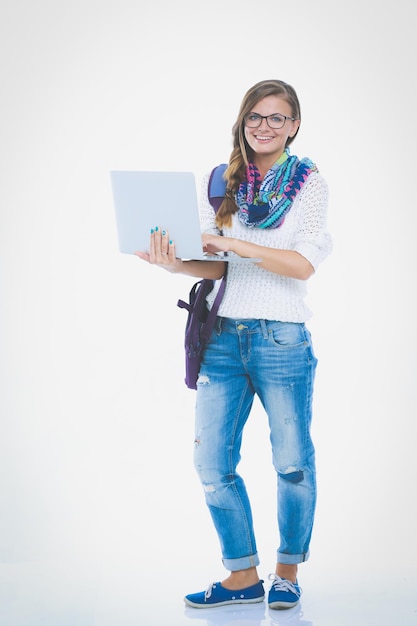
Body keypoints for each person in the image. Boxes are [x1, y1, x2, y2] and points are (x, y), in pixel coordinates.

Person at [135, 79, 332, 610]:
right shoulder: (221, 181)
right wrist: (171, 262)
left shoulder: (309, 183)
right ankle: (243, 576)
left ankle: (286, 572)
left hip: (282, 337)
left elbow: (302, 263)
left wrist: (231, 241)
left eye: (276, 118)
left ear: (294, 125)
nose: (264, 127)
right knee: (212, 464)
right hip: (222, 337)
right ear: (242, 123)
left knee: (292, 460)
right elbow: (215, 264)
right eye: (255, 118)